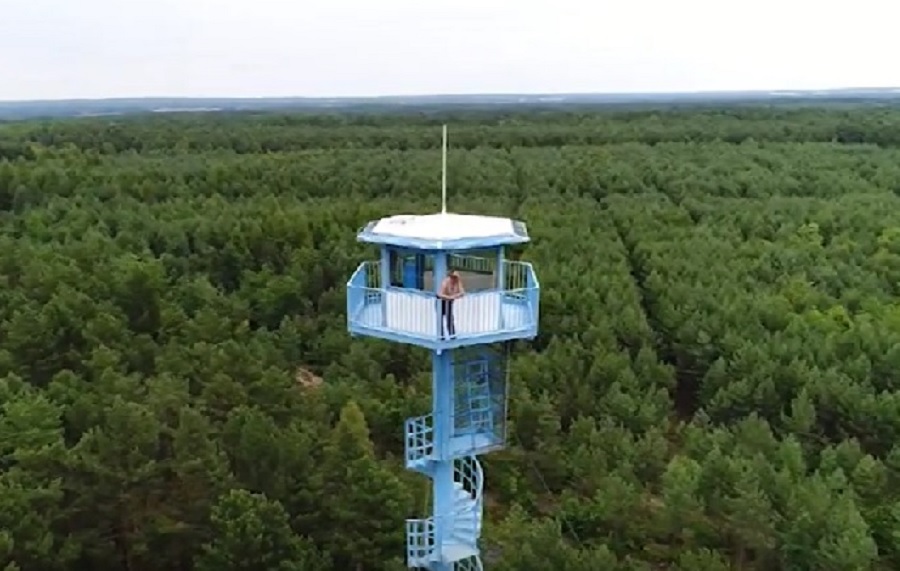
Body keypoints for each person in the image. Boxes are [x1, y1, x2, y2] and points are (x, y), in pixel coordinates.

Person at [438, 270, 465, 338]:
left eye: (456, 277)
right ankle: (441, 336)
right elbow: (439, 294)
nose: (454, 278)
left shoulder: (458, 282)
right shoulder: (446, 282)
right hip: (441, 302)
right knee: (440, 319)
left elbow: (462, 292)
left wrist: (455, 296)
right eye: (453, 277)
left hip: (449, 302)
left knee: (450, 319)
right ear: (450, 276)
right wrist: (450, 297)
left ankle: (452, 335)